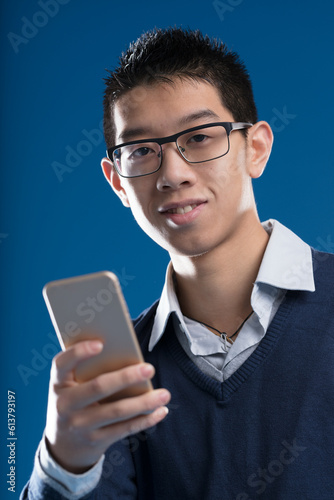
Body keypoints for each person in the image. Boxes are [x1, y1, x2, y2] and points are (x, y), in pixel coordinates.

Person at [21, 27, 334, 500]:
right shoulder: (120, 375)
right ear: (117, 183)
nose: (172, 174)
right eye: (142, 150)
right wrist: (64, 461)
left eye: (200, 137)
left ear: (257, 148)